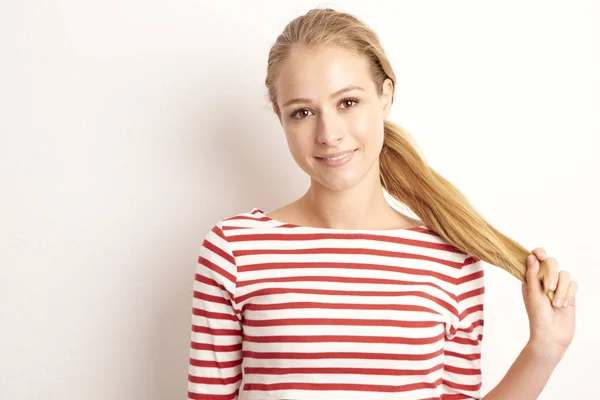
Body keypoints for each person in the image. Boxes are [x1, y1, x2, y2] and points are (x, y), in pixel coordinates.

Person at [187, 7, 578, 400]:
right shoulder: (235, 250)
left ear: (385, 96)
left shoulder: (452, 261)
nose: (329, 134)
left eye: (348, 103)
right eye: (302, 112)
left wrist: (544, 351)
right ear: (280, 117)